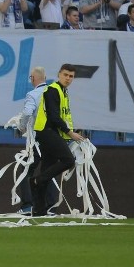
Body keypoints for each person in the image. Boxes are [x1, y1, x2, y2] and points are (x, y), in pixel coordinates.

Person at [31, 63, 84, 217]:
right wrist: (70, 132)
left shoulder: (63, 91)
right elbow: (54, 117)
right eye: (66, 75)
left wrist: (72, 132)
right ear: (59, 74)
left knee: (47, 170)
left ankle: (39, 210)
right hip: (47, 131)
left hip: (53, 132)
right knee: (68, 160)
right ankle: (36, 180)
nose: (68, 78)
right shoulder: (53, 90)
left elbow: (63, 117)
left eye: (71, 76)